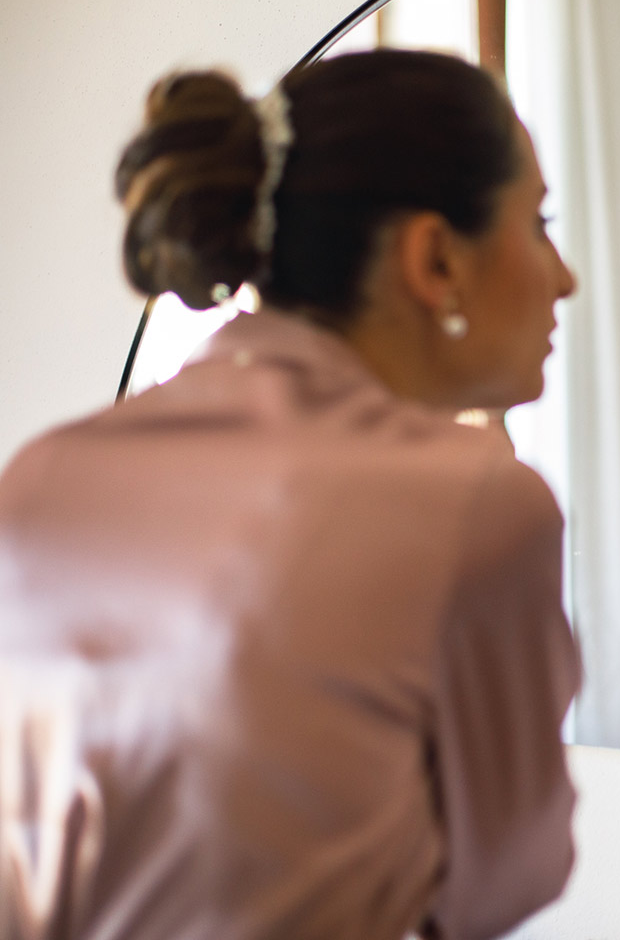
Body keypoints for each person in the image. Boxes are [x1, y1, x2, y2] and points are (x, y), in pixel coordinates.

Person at [0, 49, 580, 939]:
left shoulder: (36, 478)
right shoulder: (476, 508)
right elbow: (503, 883)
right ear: (436, 259)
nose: (563, 275)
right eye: (537, 223)